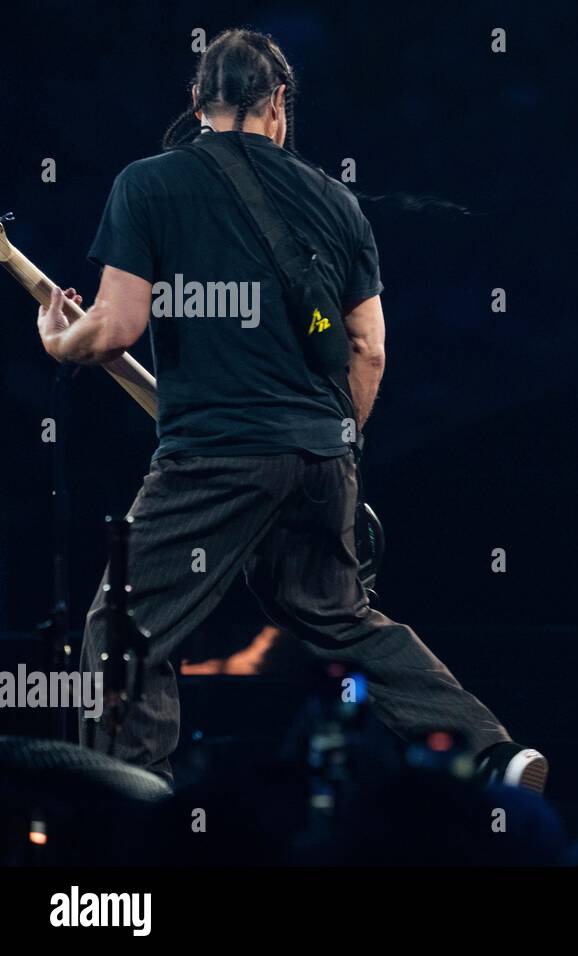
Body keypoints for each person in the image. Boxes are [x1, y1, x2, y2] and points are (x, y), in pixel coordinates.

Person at [35, 28, 546, 792]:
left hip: (213, 456)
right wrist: (339, 446)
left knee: (123, 628)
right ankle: (494, 752)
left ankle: (127, 807)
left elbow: (114, 328)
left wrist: (60, 340)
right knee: (339, 615)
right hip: (320, 459)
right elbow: (367, 348)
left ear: (198, 102)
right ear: (279, 103)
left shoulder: (148, 183)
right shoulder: (337, 202)